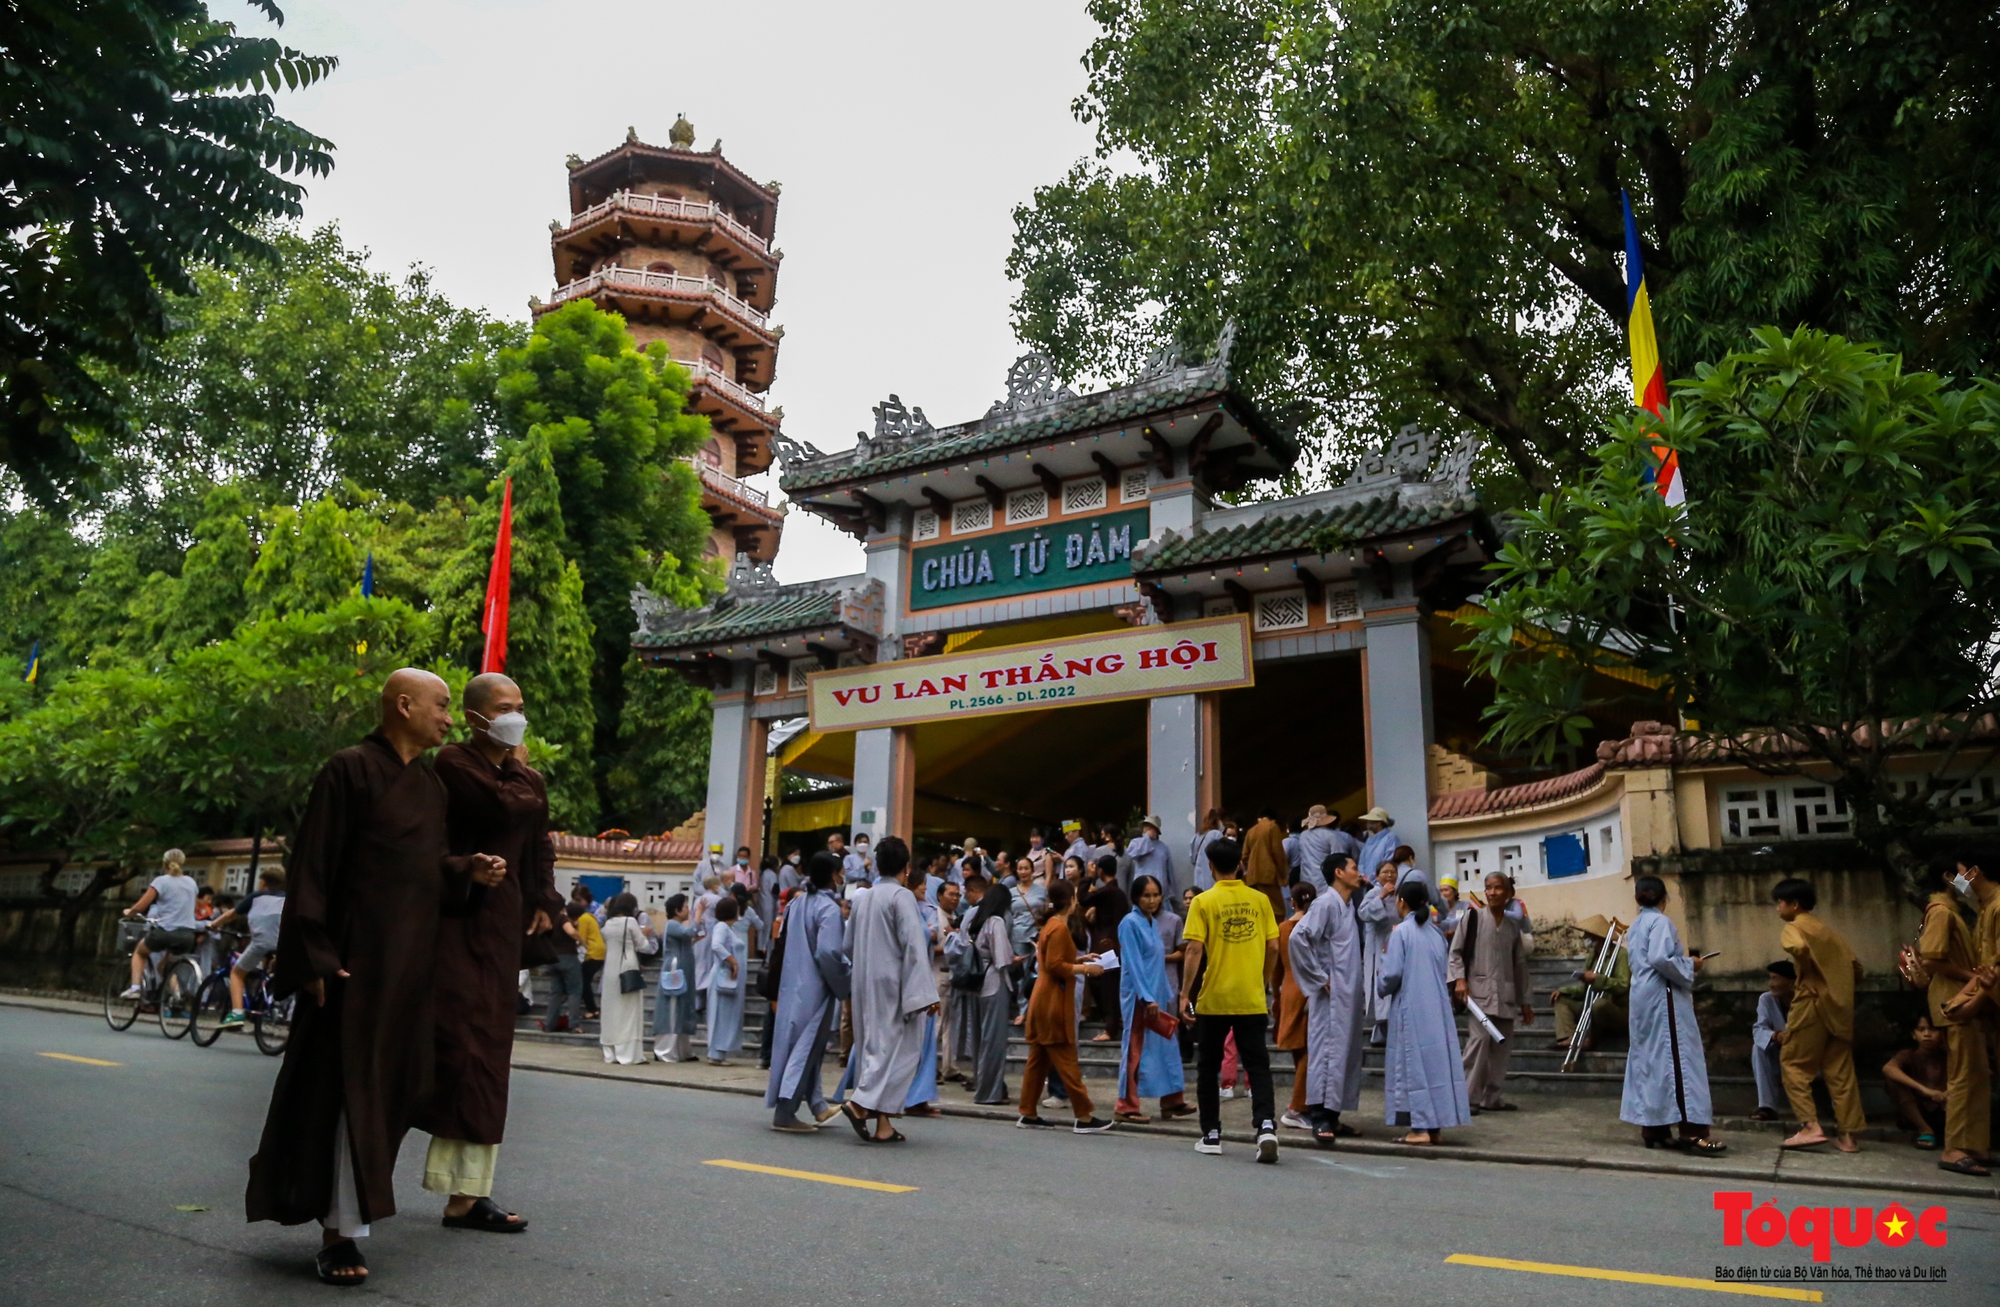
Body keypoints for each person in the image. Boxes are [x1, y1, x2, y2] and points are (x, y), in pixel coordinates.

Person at [245, 669, 504, 1287]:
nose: (449, 718)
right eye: (441, 706)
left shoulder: (429, 786)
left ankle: (350, 1219)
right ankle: (340, 1235)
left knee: (384, 1096)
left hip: (410, 965)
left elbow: (428, 870)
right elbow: (314, 866)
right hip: (352, 963)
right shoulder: (349, 770)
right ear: (404, 704)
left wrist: (467, 869)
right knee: (347, 1095)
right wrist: (313, 955)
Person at [422, 671, 563, 1235]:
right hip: (459, 920)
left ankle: (466, 1194)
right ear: (478, 716)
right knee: (459, 1049)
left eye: (520, 706)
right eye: (504, 708)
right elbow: (507, 809)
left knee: (487, 1055)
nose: (515, 716)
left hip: (503, 925)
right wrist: (516, 767)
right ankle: (390, 1174)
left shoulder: (520, 773)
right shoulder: (456, 763)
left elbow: (540, 840)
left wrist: (545, 901)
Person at [1179, 836, 1281, 1162]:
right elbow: (1275, 946)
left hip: (1214, 997)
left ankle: (1211, 1134)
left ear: (1210, 867)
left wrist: (1184, 994)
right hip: (1251, 996)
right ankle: (1265, 1126)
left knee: (1208, 1066)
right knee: (1258, 1065)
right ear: (1240, 864)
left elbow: (1194, 949)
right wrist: (1263, 981)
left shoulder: (1203, 902)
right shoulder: (1260, 900)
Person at [834, 836, 939, 1142]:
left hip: (864, 982)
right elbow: (914, 948)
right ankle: (858, 1104)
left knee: (873, 1049)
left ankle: (884, 1126)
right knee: (898, 1053)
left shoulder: (863, 897)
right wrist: (925, 996)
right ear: (907, 868)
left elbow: (847, 945)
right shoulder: (901, 897)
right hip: (895, 985)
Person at [1619, 875, 1724, 1155]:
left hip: (1642, 997)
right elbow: (1660, 958)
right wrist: (1690, 964)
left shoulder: (1636, 925)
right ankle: (1693, 1132)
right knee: (1679, 1059)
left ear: (1637, 898)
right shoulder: (1661, 922)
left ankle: (1655, 1129)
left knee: (1650, 1061)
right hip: (1662, 998)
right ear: (1665, 899)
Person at [1772, 877, 1865, 1154]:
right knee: (1841, 1071)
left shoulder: (1794, 927)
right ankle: (1849, 1137)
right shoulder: (1830, 932)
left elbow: (1797, 948)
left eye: (1780, 902)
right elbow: (1857, 969)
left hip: (1810, 1005)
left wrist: (1808, 970)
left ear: (1794, 904)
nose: (1778, 908)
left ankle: (1810, 1126)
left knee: (1793, 1063)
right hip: (1841, 1008)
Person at [1016, 877, 1114, 1133]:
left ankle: (1028, 1112)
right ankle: (1084, 1115)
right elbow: (1055, 966)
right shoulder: (1058, 928)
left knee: (1038, 1060)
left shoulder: (1051, 924)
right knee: (1066, 1059)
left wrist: (1081, 959)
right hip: (1053, 1002)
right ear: (1071, 900)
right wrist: (1085, 968)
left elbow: (1054, 960)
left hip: (1044, 998)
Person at [1378, 879, 1470, 1146]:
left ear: (1402, 902)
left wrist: (1379, 982)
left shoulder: (1401, 933)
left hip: (1411, 1007)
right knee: (1435, 1068)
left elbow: (1392, 973)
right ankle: (1435, 1127)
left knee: (1413, 1067)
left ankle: (1419, 1128)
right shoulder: (1436, 934)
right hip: (1437, 1009)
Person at [1914, 857, 1990, 1175]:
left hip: (1959, 996)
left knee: (1975, 1074)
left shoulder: (1951, 911)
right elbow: (1931, 961)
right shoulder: (1941, 912)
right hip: (1953, 1000)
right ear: (1948, 878)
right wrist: (1970, 975)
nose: (1968, 880)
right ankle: (1954, 1148)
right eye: (1963, 875)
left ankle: (1970, 1145)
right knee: (1962, 1076)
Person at [767, 852, 850, 1132]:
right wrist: (844, 983)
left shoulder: (798, 902)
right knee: (804, 1049)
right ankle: (786, 1112)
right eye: (840, 873)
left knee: (804, 1047)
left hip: (793, 984)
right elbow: (829, 952)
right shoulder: (828, 910)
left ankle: (817, 1105)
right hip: (815, 988)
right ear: (834, 876)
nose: (842, 878)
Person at [1290, 851, 1367, 1148]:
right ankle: (1319, 1116)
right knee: (1327, 1052)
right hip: (1330, 995)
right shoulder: (1324, 903)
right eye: (1354, 867)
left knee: (1344, 1053)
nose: (1359, 873)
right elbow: (1299, 937)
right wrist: (1319, 978)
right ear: (1339, 872)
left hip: (1346, 992)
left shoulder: (1346, 906)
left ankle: (1333, 1115)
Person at [1448, 872, 1534, 1114]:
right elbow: (1455, 953)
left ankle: (1491, 1097)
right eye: (1488, 888)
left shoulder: (1511, 927)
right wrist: (1460, 981)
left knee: (1501, 1048)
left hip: (1505, 994)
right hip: (1478, 994)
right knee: (1479, 1042)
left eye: (1497, 888)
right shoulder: (1473, 918)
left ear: (1509, 894)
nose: (1492, 892)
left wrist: (1525, 1001)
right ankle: (1465, 1097)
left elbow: (1520, 966)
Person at [1115, 875, 1191, 1124]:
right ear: (1136, 897)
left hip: (1159, 994)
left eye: (1156, 894)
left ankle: (1172, 1100)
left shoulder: (1151, 922)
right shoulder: (1130, 923)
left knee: (1167, 1047)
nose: (1152, 900)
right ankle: (1126, 1105)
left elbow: (1157, 962)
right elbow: (1133, 964)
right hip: (1140, 996)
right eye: (1147, 895)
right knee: (1135, 1049)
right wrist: (1146, 998)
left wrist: (1164, 995)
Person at [208, 867, 286, 1031]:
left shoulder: (256, 897)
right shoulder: (289, 898)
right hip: (285, 943)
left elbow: (231, 914)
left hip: (261, 943)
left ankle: (237, 1013)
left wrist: (213, 924)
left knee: (237, 973)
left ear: (263, 882)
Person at [965, 881, 1018, 1105]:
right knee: (994, 1042)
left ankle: (984, 1086)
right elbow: (1003, 958)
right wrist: (1017, 960)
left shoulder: (977, 921)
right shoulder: (995, 922)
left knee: (980, 1040)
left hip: (977, 985)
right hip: (994, 983)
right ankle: (990, 1092)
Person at [121, 848, 199, 997]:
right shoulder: (191, 883)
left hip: (165, 932)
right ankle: (175, 997)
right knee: (163, 966)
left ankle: (135, 988)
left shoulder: (161, 881)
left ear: (164, 863)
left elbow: (140, 906)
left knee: (139, 952)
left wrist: (129, 912)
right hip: (187, 936)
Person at [1548, 915, 1629, 1049]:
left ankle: (1591, 1041)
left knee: (1599, 1004)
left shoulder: (1621, 955)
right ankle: (1569, 1037)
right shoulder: (1592, 957)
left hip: (1617, 1010)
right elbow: (1586, 989)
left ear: (1597, 937)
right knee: (1562, 1000)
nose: (1585, 938)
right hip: (1593, 1005)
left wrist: (1598, 979)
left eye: (1588, 935)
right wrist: (1563, 991)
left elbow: (1623, 985)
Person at [1274, 882, 1315, 1129]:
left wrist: (1276, 994)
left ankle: (1303, 1103)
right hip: (1309, 989)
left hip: (1288, 987)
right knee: (1310, 1051)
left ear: (1293, 901)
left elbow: (1276, 968)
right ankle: (1298, 1106)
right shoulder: (1314, 926)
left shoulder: (1283, 928)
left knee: (1299, 1050)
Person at [598, 893, 656, 1066]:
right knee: (629, 1011)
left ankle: (611, 1051)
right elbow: (644, 946)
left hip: (610, 969)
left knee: (610, 1009)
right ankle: (629, 1054)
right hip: (628, 966)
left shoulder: (607, 924)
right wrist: (645, 933)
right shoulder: (630, 922)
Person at [1880, 1016, 1950, 1150]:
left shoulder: (1949, 1056)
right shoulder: (1908, 1055)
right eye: (1921, 1029)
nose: (1927, 1034)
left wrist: (1949, 1093)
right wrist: (1924, 1089)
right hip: (1917, 1112)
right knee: (1892, 1080)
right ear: (1914, 1035)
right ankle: (1925, 1130)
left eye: (1933, 1030)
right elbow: (1888, 1068)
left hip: (1946, 1111)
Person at [1081, 854, 1130, 1043]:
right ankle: (1112, 1022)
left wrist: (1089, 876)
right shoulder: (1117, 893)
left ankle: (1110, 1027)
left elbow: (1083, 898)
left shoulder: (1109, 891)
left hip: (1106, 945)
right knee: (1104, 984)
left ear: (1100, 871)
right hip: (1112, 944)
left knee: (1105, 985)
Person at [651, 894, 698, 1062]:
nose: (688, 910)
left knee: (683, 1009)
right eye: (685, 907)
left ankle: (682, 1050)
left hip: (683, 970)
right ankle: (664, 1050)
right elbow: (691, 931)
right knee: (673, 1009)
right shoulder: (672, 924)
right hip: (675, 970)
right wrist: (698, 916)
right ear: (677, 911)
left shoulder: (676, 926)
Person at [1357, 862, 1398, 1044]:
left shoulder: (1399, 893)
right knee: (1379, 986)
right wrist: (1381, 896)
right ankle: (1381, 1030)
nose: (1389, 875)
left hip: (1396, 943)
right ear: (1377, 876)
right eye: (1385, 872)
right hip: (1378, 945)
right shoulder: (1373, 893)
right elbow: (1363, 913)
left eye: (1393, 872)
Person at [703, 897, 748, 1065]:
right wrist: (732, 960)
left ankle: (720, 1052)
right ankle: (715, 1053)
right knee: (720, 1014)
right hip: (723, 976)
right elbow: (716, 946)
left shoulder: (730, 929)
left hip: (732, 979)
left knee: (727, 1015)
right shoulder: (721, 927)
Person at [1749, 960, 1795, 1120]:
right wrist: (1776, 1036)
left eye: (1775, 979)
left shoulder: (1806, 1000)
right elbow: (1759, 1029)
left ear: (1791, 982)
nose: (1771, 984)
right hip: (1780, 1056)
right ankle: (1767, 1107)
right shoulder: (1766, 1000)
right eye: (1770, 979)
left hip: (1807, 1056)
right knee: (1758, 1048)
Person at [538, 907, 586, 1034]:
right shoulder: (562, 918)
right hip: (568, 958)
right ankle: (574, 1025)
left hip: (553, 959)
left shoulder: (550, 919)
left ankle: (549, 1024)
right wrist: (581, 939)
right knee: (574, 991)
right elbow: (570, 931)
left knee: (556, 993)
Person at [1293, 806, 1358, 893]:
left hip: (1306, 881)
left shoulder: (1303, 836)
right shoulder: (1331, 836)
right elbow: (1339, 860)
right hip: (1325, 883)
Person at [1241, 809, 1289, 919]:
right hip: (1269, 876)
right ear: (1274, 819)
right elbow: (1277, 853)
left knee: (1257, 911)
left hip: (1252, 878)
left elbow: (1244, 856)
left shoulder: (1251, 831)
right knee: (1278, 911)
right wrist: (1283, 875)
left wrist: (1252, 867)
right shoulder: (1273, 827)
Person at [1125, 816, 1172, 900]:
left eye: (1151, 828)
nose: (1148, 830)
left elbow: (1169, 870)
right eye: (1146, 827)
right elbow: (1132, 855)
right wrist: (1146, 839)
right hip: (1142, 885)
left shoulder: (1164, 847)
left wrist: (1171, 890)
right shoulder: (1136, 843)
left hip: (1160, 886)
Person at [573, 902, 605, 1019]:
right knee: (585, 980)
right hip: (599, 951)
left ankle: (592, 1009)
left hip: (592, 953)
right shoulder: (589, 917)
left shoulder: (583, 919)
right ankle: (588, 1007)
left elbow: (580, 938)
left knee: (584, 982)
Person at [1356, 808, 1398, 894]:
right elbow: (1362, 861)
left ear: (1379, 822)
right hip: (1367, 885)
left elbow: (1389, 861)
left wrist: (1372, 877)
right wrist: (1363, 875)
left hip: (1383, 884)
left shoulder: (1391, 838)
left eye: (1372, 821)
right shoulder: (1369, 840)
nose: (1368, 824)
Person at [1189, 809, 1226, 893]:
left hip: (1198, 876)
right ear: (1217, 821)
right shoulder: (1216, 834)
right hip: (1211, 876)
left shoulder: (1197, 836)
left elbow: (1192, 858)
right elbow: (1222, 854)